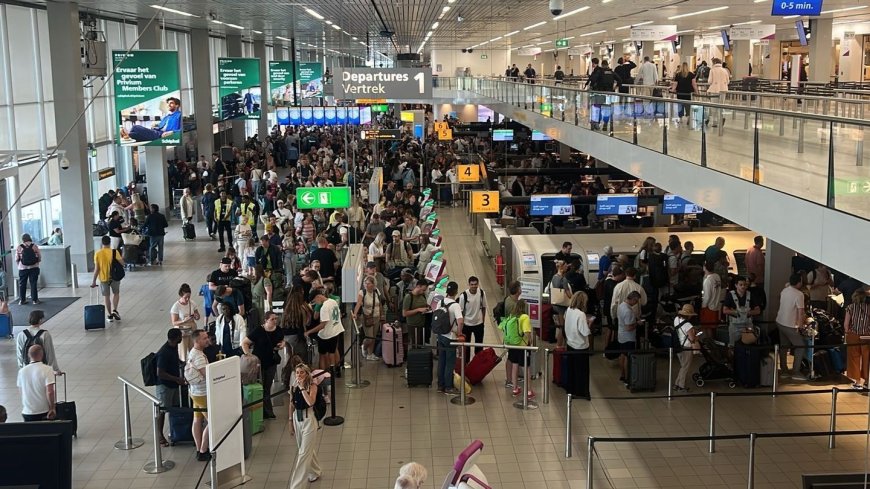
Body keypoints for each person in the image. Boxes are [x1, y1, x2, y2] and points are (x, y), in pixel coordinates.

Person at [241, 312, 285, 419]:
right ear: (266, 320)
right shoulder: (258, 331)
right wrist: (249, 355)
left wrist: (282, 344)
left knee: (267, 387)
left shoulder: (278, 330)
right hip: (258, 363)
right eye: (272, 319)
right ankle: (261, 412)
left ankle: (267, 411)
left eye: (276, 319)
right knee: (260, 386)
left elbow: (282, 340)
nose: (275, 321)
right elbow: (244, 343)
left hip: (271, 362)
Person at [288, 363, 323, 488]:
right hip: (297, 419)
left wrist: (302, 388)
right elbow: (291, 404)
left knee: (303, 453)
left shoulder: (312, 386)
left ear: (307, 374)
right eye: (297, 372)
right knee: (304, 448)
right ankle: (315, 471)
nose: (299, 375)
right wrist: (290, 421)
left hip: (309, 419)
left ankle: (296, 486)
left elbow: (310, 402)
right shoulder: (293, 386)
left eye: (302, 372)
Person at [184, 330, 211, 461]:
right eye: (204, 338)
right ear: (197, 341)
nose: (207, 340)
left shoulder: (192, 352)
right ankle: (203, 450)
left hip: (194, 392)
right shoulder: (199, 357)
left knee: (197, 420)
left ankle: (198, 447)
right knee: (212, 422)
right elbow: (208, 375)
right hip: (203, 394)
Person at [156, 328, 185, 447]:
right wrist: (176, 379)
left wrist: (182, 363)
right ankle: (159, 435)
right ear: (176, 338)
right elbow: (160, 373)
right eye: (180, 336)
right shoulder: (164, 352)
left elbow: (176, 359)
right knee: (162, 411)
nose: (182, 338)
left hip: (173, 385)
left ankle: (174, 431)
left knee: (173, 408)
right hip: (165, 386)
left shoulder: (174, 346)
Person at [776, 273, 808, 381]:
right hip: (789, 324)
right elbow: (800, 312)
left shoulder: (784, 290)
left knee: (784, 346)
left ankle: (784, 370)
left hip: (780, 321)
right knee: (800, 346)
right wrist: (800, 326)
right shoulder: (799, 294)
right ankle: (796, 372)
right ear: (799, 282)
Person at [435, 282, 463, 395]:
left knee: (441, 361)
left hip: (440, 336)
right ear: (456, 292)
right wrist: (459, 333)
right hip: (450, 337)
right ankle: (448, 387)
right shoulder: (455, 305)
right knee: (450, 363)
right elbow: (460, 321)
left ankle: (440, 385)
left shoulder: (440, 302)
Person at [306, 289, 344, 371]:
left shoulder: (324, 307)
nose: (316, 304)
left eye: (314, 301)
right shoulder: (333, 302)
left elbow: (322, 325)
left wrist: (309, 332)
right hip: (336, 330)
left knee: (322, 355)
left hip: (326, 334)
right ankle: (336, 370)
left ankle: (323, 373)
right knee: (333, 351)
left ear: (318, 297)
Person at [503, 299, 534, 399]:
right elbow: (527, 332)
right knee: (526, 368)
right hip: (522, 346)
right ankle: (529, 391)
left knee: (514, 366)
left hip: (513, 345)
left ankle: (515, 388)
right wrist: (530, 342)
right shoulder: (525, 317)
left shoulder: (512, 316)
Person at [564, 291, 592, 399]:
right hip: (580, 346)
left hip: (570, 343)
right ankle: (581, 391)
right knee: (581, 371)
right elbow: (584, 332)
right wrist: (589, 324)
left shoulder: (569, 310)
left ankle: (570, 389)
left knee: (571, 369)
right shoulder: (581, 314)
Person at [16, 345, 56, 421]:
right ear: (42, 354)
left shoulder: (22, 371)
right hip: (43, 410)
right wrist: (52, 408)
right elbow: (50, 392)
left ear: (28, 355)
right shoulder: (47, 369)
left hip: (27, 411)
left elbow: (21, 391)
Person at [91, 235, 124, 323]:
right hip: (115, 277)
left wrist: (94, 281)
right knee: (116, 293)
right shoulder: (114, 252)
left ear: (102, 243)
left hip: (103, 278)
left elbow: (97, 269)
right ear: (110, 242)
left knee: (106, 297)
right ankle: (115, 310)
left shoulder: (98, 253)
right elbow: (122, 263)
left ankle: (110, 315)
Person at [352, 276, 385, 361]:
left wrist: (382, 315)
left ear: (373, 284)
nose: (366, 285)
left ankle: (370, 354)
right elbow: (358, 304)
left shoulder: (376, 291)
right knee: (369, 338)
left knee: (373, 337)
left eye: (369, 283)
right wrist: (355, 314)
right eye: (365, 283)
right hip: (367, 318)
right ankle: (364, 346)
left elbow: (380, 304)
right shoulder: (362, 292)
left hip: (376, 317)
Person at [723, 276, 761, 346]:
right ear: (736, 285)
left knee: (749, 345)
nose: (743, 287)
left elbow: (758, 310)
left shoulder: (751, 295)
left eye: (744, 285)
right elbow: (725, 310)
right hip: (735, 326)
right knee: (733, 345)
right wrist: (735, 312)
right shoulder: (730, 295)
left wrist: (749, 313)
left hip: (747, 325)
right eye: (740, 285)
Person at [843, 289, 870, 389]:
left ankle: (857, 382)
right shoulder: (869, 307)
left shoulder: (850, 307)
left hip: (853, 335)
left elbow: (846, 324)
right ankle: (867, 381)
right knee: (867, 358)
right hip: (866, 335)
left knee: (854, 358)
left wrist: (847, 332)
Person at [458, 276, 487, 360]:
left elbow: (484, 307)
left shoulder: (481, 293)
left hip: (479, 324)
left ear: (478, 284)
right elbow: (461, 311)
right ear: (469, 285)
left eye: (475, 284)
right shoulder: (463, 296)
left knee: (479, 346)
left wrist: (483, 320)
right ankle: (466, 363)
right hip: (467, 324)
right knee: (466, 347)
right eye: (472, 284)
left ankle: (477, 363)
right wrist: (461, 325)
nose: (474, 286)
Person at [171, 283, 201, 361]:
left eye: (189, 297)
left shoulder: (192, 303)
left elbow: (198, 316)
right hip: (182, 332)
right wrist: (184, 320)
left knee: (193, 350)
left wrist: (196, 316)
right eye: (185, 297)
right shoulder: (176, 306)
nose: (187, 299)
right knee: (183, 353)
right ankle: (183, 365)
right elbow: (174, 322)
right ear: (181, 296)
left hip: (191, 330)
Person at [618, 291, 643, 385]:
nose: (636, 303)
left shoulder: (621, 305)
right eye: (636, 301)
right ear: (633, 299)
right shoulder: (628, 311)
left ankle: (622, 375)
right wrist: (637, 323)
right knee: (628, 358)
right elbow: (629, 327)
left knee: (622, 355)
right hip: (628, 337)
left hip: (621, 336)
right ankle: (627, 378)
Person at [673, 304, 699, 392]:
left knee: (683, 366)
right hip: (686, 347)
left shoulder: (676, 319)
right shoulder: (688, 325)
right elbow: (692, 339)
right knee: (685, 367)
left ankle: (677, 384)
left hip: (678, 345)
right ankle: (681, 386)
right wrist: (697, 335)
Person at [403, 280, 430, 346]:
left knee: (421, 344)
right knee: (414, 344)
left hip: (422, 324)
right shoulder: (409, 297)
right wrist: (418, 310)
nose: (423, 292)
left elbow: (424, 305)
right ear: (418, 286)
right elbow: (404, 313)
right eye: (423, 290)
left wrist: (427, 308)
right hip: (413, 325)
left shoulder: (422, 296)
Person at [16, 233, 41, 305]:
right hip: (34, 267)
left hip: (22, 268)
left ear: (22, 239)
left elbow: (17, 258)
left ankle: (22, 300)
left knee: (22, 284)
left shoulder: (19, 247)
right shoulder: (34, 246)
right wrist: (37, 263)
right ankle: (35, 300)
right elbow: (39, 256)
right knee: (33, 283)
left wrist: (19, 265)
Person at [706, 58, 730, 127]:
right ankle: (722, 118)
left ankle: (715, 122)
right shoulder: (724, 70)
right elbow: (728, 81)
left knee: (714, 106)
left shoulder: (712, 70)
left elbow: (710, 81)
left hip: (714, 90)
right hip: (723, 90)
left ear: (714, 63)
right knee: (721, 105)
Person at [700, 261, 722, 329]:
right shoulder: (717, 276)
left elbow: (707, 296)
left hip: (709, 307)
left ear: (704, 268)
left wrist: (703, 306)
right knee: (713, 327)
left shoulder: (708, 280)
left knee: (707, 327)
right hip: (716, 305)